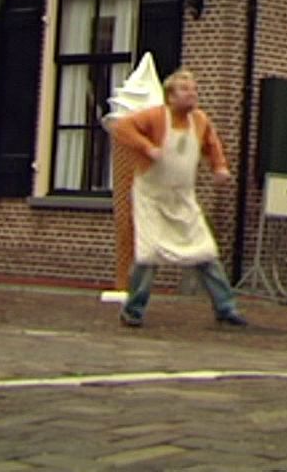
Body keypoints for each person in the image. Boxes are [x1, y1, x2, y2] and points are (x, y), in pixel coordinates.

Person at [105, 69, 248, 328]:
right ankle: (133, 309)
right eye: (184, 89)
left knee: (205, 251)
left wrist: (219, 167)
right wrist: (147, 146)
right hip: (151, 197)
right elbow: (121, 127)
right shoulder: (155, 116)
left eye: (194, 89)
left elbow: (211, 144)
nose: (192, 94)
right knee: (148, 253)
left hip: (182, 198)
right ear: (170, 96)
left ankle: (226, 307)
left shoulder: (200, 120)